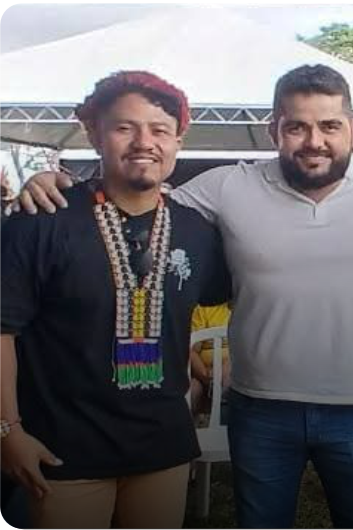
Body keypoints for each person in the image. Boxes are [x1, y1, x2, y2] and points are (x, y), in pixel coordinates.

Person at [18, 64, 353, 529]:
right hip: (260, 409)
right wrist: (53, 184)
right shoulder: (225, 186)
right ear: (273, 131)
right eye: (296, 126)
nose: (314, 141)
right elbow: (136, 194)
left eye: (329, 125)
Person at [0, 71, 229, 529]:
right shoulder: (41, 220)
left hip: (162, 447)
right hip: (64, 450)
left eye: (160, 130)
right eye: (125, 127)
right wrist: (8, 432)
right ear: (94, 133)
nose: (144, 142)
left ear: (178, 140)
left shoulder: (199, 230)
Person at [189, 303, 232, 418]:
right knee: (193, 389)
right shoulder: (205, 309)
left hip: (236, 374)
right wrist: (205, 374)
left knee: (231, 364)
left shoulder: (250, 310)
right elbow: (192, 350)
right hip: (204, 372)